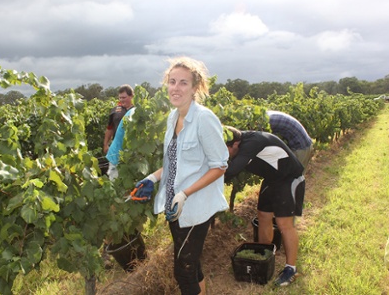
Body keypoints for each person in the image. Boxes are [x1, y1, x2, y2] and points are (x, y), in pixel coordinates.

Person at [131, 57, 229, 294]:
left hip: (195, 207)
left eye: (183, 83)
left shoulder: (204, 119)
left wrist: (185, 193)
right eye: (172, 81)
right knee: (191, 264)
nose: (176, 88)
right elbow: (174, 161)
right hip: (174, 205)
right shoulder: (172, 117)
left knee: (183, 271)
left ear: (195, 87)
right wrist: (152, 178)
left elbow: (220, 165)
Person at [224, 126, 305, 287]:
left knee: (284, 224)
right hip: (272, 179)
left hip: (289, 178)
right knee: (263, 216)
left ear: (235, 145)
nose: (224, 155)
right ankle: (264, 255)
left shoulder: (250, 144)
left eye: (225, 150)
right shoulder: (239, 142)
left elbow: (229, 172)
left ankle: (291, 269)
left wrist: (200, 184)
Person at [105, 107, 136, 181]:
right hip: (117, 156)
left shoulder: (133, 111)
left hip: (124, 155)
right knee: (116, 184)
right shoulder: (133, 114)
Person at [103, 84, 134, 154]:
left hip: (133, 148)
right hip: (117, 147)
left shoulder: (137, 110)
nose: (121, 100)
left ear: (131, 96)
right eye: (120, 98)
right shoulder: (115, 111)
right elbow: (109, 128)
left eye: (124, 97)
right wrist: (105, 144)